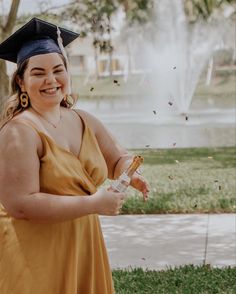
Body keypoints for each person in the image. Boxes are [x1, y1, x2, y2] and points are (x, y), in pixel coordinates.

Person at [0, 18, 149, 294]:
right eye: (38, 73)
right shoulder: (18, 133)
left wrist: (131, 172)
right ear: (21, 80)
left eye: (58, 70)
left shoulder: (83, 120)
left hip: (81, 245)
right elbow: (20, 204)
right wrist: (93, 203)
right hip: (35, 256)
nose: (51, 80)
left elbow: (116, 159)